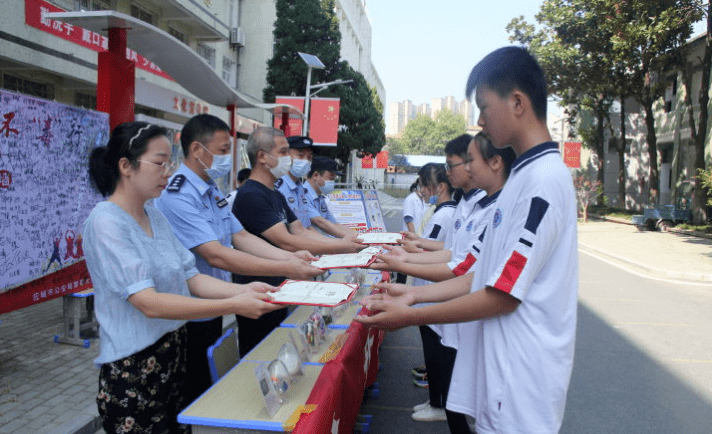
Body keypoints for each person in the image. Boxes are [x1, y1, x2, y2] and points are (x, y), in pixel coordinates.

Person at [355, 46, 578, 434]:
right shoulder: (520, 182)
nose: (479, 120)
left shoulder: (543, 182)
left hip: (521, 381)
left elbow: (502, 294)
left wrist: (412, 314)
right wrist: (412, 295)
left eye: (484, 106)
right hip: (501, 373)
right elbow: (480, 275)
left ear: (517, 102)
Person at [83, 121, 285, 434]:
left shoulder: (155, 215)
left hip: (173, 355)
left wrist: (241, 291)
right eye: (160, 163)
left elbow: (192, 276)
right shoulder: (106, 222)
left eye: (170, 163)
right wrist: (234, 302)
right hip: (134, 368)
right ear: (126, 166)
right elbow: (148, 303)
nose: (168, 172)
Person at [154, 114, 322, 405]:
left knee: (209, 384)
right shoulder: (177, 194)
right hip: (188, 310)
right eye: (221, 151)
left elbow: (241, 237)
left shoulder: (211, 189)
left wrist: (292, 257)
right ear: (196, 150)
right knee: (193, 391)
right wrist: (286, 265)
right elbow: (216, 255)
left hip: (214, 302)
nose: (227, 158)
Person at [231, 127, 363, 355]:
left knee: (283, 348)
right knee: (262, 353)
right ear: (262, 156)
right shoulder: (251, 195)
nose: (288, 159)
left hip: (282, 285)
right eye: (283, 152)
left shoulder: (275, 194)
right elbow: (287, 241)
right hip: (259, 290)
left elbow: (301, 231)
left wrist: (344, 243)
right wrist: (342, 247)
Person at [304, 156, 357, 238]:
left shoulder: (320, 198)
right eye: (330, 177)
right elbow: (319, 222)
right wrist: (348, 238)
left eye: (334, 179)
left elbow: (334, 224)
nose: (332, 182)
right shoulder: (303, 195)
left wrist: (358, 236)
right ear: (316, 175)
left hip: (322, 242)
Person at [275, 135, 314, 229]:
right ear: (286, 155)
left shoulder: (300, 186)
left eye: (309, 158)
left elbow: (306, 226)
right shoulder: (278, 187)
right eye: (300, 155)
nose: (306, 161)